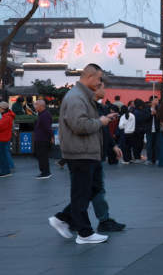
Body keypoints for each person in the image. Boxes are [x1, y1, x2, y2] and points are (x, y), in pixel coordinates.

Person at [48, 64, 117, 244]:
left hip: (89, 152)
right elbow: (79, 125)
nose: (100, 82)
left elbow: (87, 121)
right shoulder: (76, 97)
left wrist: (102, 120)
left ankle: (63, 218)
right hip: (80, 152)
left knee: (93, 188)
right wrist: (101, 122)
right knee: (81, 193)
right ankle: (84, 233)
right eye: (99, 79)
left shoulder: (84, 96)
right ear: (89, 77)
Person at [92, 80, 127, 232]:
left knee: (89, 189)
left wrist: (113, 145)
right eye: (103, 87)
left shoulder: (99, 107)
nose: (105, 90)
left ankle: (68, 217)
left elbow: (103, 129)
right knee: (95, 188)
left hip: (97, 152)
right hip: (91, 153)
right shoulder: (87, 106)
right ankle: (103, 220)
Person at [33, 99, 54, 179]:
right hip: (42, 138)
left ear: (41, 106)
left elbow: (47, 127)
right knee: (42, 155)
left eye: (36, 105)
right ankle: (46, 172)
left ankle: (45, 173)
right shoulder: (43, 114)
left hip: (42, 138)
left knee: (41, 156)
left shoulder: (44, 115)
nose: (34, 107)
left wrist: (51, 137)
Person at [142, 96, 161, 166]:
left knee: (157, 145)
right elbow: (144, 119)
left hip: (157, 130)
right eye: (156, 100)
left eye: (157, 100)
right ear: (151, 101)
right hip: (149, 130)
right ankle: (149, 159)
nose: (157, 101)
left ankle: (157, 159)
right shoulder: (146, 110)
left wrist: (156, 114)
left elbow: (160, 119)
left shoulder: (159, 110)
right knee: (149, 145)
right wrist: (151, 114)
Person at [0, 102, 15, 177]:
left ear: (3, 108)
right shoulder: (7, 116)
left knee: (2, 155)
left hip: (2, 138)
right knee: (3, 154)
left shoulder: (6, 117)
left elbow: (1, 126)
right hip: (3, 137)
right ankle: (5, 170)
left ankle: (5, 171)